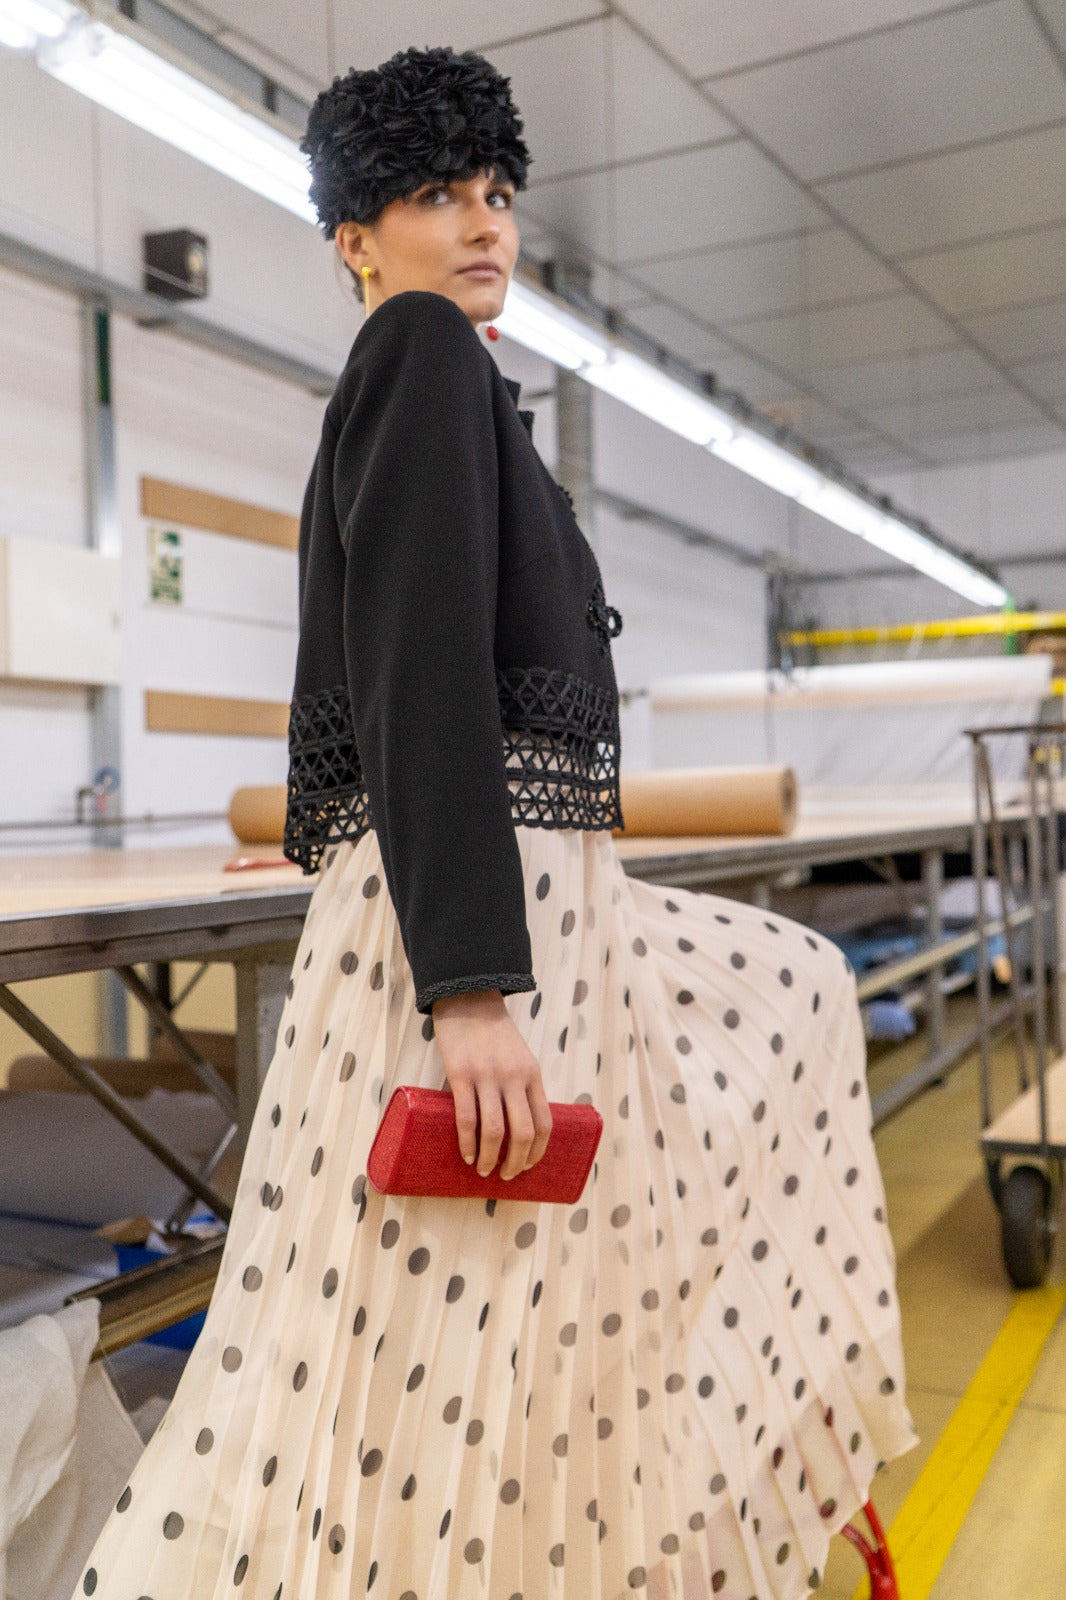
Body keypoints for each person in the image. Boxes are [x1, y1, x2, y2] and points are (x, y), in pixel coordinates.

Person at [71, 45, 916, 1600]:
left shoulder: (445, 381)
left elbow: (392, 658)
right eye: (436, 195)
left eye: (498, 193)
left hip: (521, 910)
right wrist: (466, 986)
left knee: (463, 1341)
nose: (482, 225)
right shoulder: (419, 351)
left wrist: (353, 837)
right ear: (355, 236)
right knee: (451, 1337)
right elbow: (420, 665)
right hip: (488, 939)